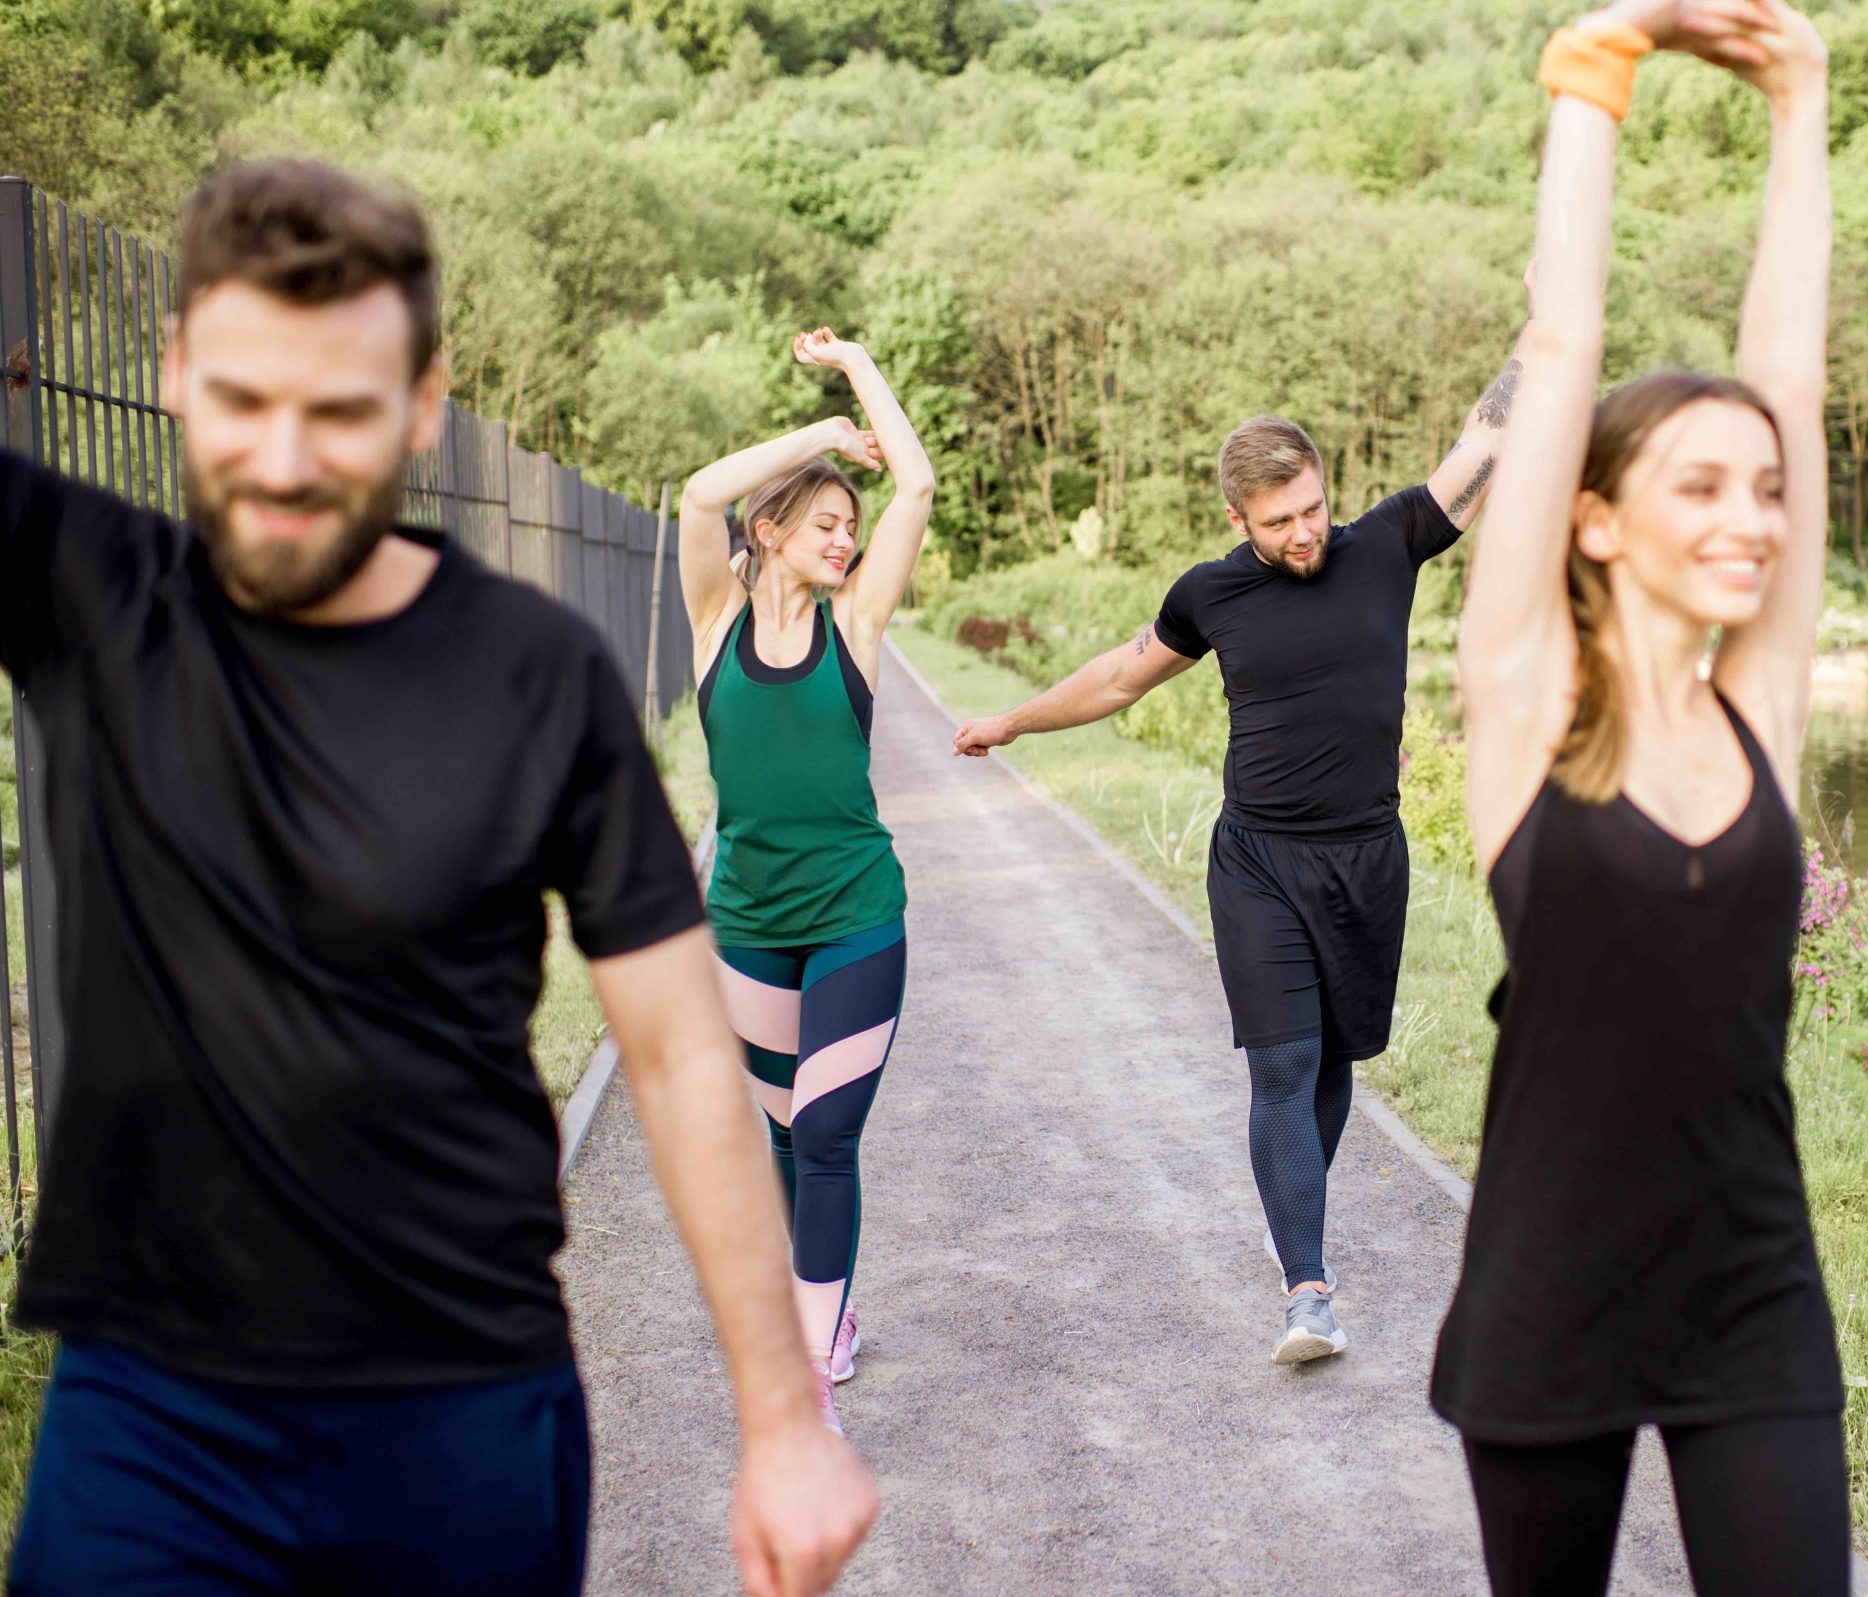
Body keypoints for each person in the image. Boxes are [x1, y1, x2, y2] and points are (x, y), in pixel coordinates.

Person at [1, 160, 873, 1597]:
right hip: (150, 1424)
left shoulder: (535, 677)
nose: (283, 461)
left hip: (460, 1413)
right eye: (241, 402)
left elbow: (671, 1054)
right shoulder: (97, 594)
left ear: (421, 400)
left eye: (340, 411)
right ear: (171, 374)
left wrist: (783, 1422)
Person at [1426, 0, 1849, 1596]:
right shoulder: (1527, 702)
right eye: (1702, 484)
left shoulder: (1759, 702)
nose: (1752, 515)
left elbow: (1789, 381)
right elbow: (1562, 335)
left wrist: (1801, 110)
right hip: (1550, 1290)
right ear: (1596, 517)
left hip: (1752, 1284)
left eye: (1766, 492)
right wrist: (1591, 86)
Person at [950, 290, 1534, 1366]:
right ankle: (1307, 1287)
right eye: (1278, 521)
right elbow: (1121, 676)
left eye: (1311, 507)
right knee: (1281, 1063)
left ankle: (1294, 1218)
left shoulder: (1390, 540)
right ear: (1238, 520)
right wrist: (1013, 718)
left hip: (1368, 857)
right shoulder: (1211, 594)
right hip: (1256, 856)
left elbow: (1486, 439)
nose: (1303, 532)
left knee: (1332, 1065)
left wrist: (1544, 328)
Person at [676, 325, 935, 1418]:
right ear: (772, 529)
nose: (846, 541)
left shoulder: (857, 628)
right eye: (826, 524)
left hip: (857, 917)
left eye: (852, 529)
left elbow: (915, 479)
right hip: (745, 924)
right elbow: (697, 498)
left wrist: (861, 372)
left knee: (827, 1133)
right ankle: (832, 1305)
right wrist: (816, 435)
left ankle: (812, 1367)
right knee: (788, 1131)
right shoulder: (713, 621)